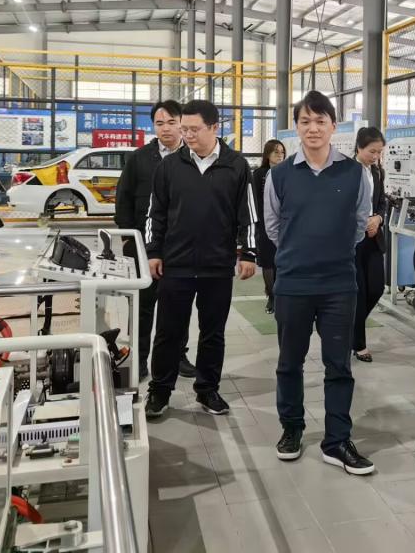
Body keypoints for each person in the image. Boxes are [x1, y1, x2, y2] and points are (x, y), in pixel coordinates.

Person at [265, 91, 374, 475]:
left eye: (320, 121)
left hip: (339, 285)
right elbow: (274, 227)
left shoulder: (355, 173)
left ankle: (337, 441)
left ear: (333, 125)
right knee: (289, 363)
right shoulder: (279, 175)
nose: (313, 128)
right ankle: (291, 429)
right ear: (297, 127)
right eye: (305, 121)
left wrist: (332, 251)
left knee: (338, 365)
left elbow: (360, 222)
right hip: (293, 283)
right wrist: (300, 252)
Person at [143, 99, 258, 420]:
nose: (188, 135)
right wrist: (153, 252)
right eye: (185, 129)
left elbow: (248, 214)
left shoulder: (236, 166)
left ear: (215, 128)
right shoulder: (169, 166)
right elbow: (155, 213)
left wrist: (249, 253)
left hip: (217, 266)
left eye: (194, 129)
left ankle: (207, 389)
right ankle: (159, 391)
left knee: (213, 333)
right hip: (176, 265)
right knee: (168, 332)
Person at [115, 100, 196, 380]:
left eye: (172, 122)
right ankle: (139, 359)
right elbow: (123, 201)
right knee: (142, 307)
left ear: (182, 124)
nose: (166, 129)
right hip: (142, 248)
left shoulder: (192, 158)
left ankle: (178, 355)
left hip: (180, 248)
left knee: (179, 306)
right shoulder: (139, 159)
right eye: (159, 123)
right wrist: (129, 241)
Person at [352, 127, 387, 363]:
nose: (376, 156)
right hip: (352, 240)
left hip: (373, 238)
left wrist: (378, 219)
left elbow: (382, 202)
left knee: (376, 288)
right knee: (359, 292)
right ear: (359, 148)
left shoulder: (377, 172)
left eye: (379, 152)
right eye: (372, 151)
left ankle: (348, 328)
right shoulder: (347, 171)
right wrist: (360, 221)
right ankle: (359, 343)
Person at [252, 139, 286, 314]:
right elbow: (256, 200)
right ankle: (271, 296)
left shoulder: (288, 172)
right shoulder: (259, 174)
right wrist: (260, 223)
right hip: (264, 224)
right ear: (267, 155)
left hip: (284, 224)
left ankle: (281, 295)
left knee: (281, 261)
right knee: (268, 261)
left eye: (282, 152)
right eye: (275, 152)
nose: (280, 155)